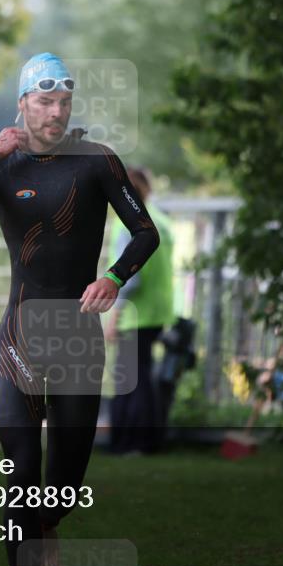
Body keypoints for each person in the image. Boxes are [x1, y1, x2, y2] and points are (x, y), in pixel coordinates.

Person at [0, 52, 160, 566]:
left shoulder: (97, 161)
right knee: (22, 471)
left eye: (64, 102)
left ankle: (49, 521)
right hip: (19, 340)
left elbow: (146, 233)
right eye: (45, 100)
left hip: (76, 337)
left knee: (65, 483)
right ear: (24, 103)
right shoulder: (2, 164)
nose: (56, 112)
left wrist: (114, 278)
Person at [104, 167, 175, 454]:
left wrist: (114, 315)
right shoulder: (161, 221)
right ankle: (139, 441)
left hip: (135, 313)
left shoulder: (127, 226)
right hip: (157, 312)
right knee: (141, 375)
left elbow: (129, 278)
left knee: (131, 380)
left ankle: (135, 443)